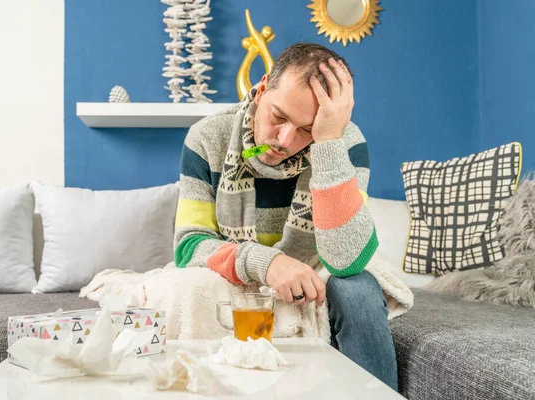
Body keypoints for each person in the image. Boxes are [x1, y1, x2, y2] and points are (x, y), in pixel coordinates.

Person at [173, 42, 411, 391]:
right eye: (278, 117)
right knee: (194, 285)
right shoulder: (208, 137)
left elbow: (346, 261)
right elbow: (188, 246)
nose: (284, 140)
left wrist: (328, 143)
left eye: (307, 129)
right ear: (263, 85)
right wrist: (268, 262)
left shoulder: (346, 142)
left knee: (359, 289)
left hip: (317, 274)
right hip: (236, 272)